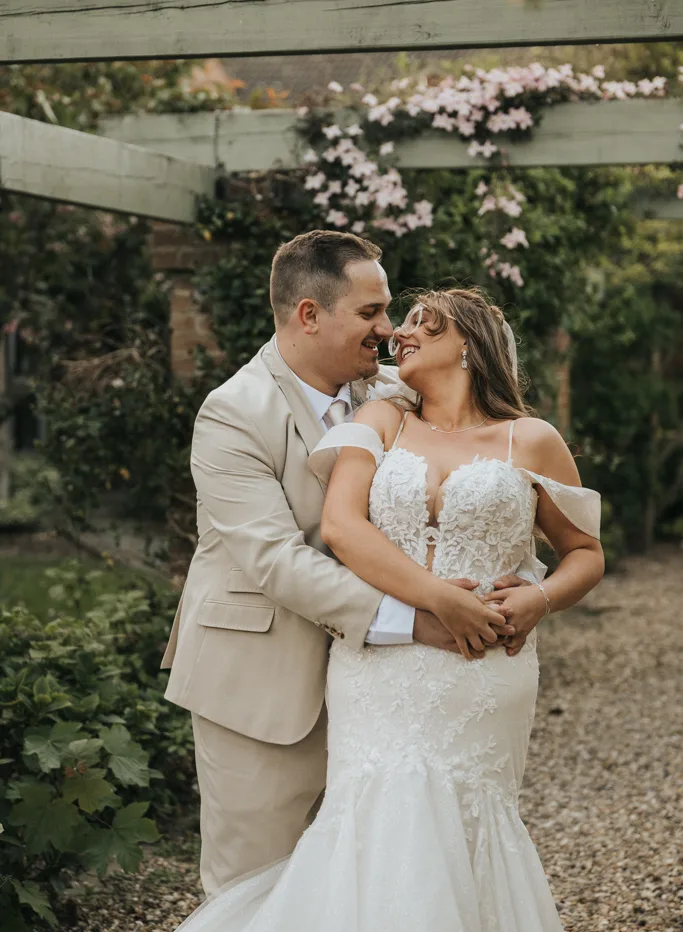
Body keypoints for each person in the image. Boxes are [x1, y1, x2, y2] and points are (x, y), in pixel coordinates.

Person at [13, 279, 603, 932]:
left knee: (467, 832)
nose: (395, 333)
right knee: (369, 838)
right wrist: (435, 601)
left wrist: (536, 598)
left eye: (419, 322)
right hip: (382, 666)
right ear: (306, 311)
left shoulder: (531, 438)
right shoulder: (379, 417)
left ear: (471, 342)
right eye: (386, 317)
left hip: (483, 679)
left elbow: (582, 548)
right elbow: (342, 531)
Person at [158, 229, 531, 897]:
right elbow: (276, 559)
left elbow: (492, 491)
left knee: (365, 898)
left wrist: (513, 590)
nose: (388, 331)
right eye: (369, 313)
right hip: (262, 686)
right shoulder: (232, 414)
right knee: (252, 896)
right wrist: (419, 620)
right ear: (308, 314)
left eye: (387, 311)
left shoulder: (400, 393)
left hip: (383, 700)